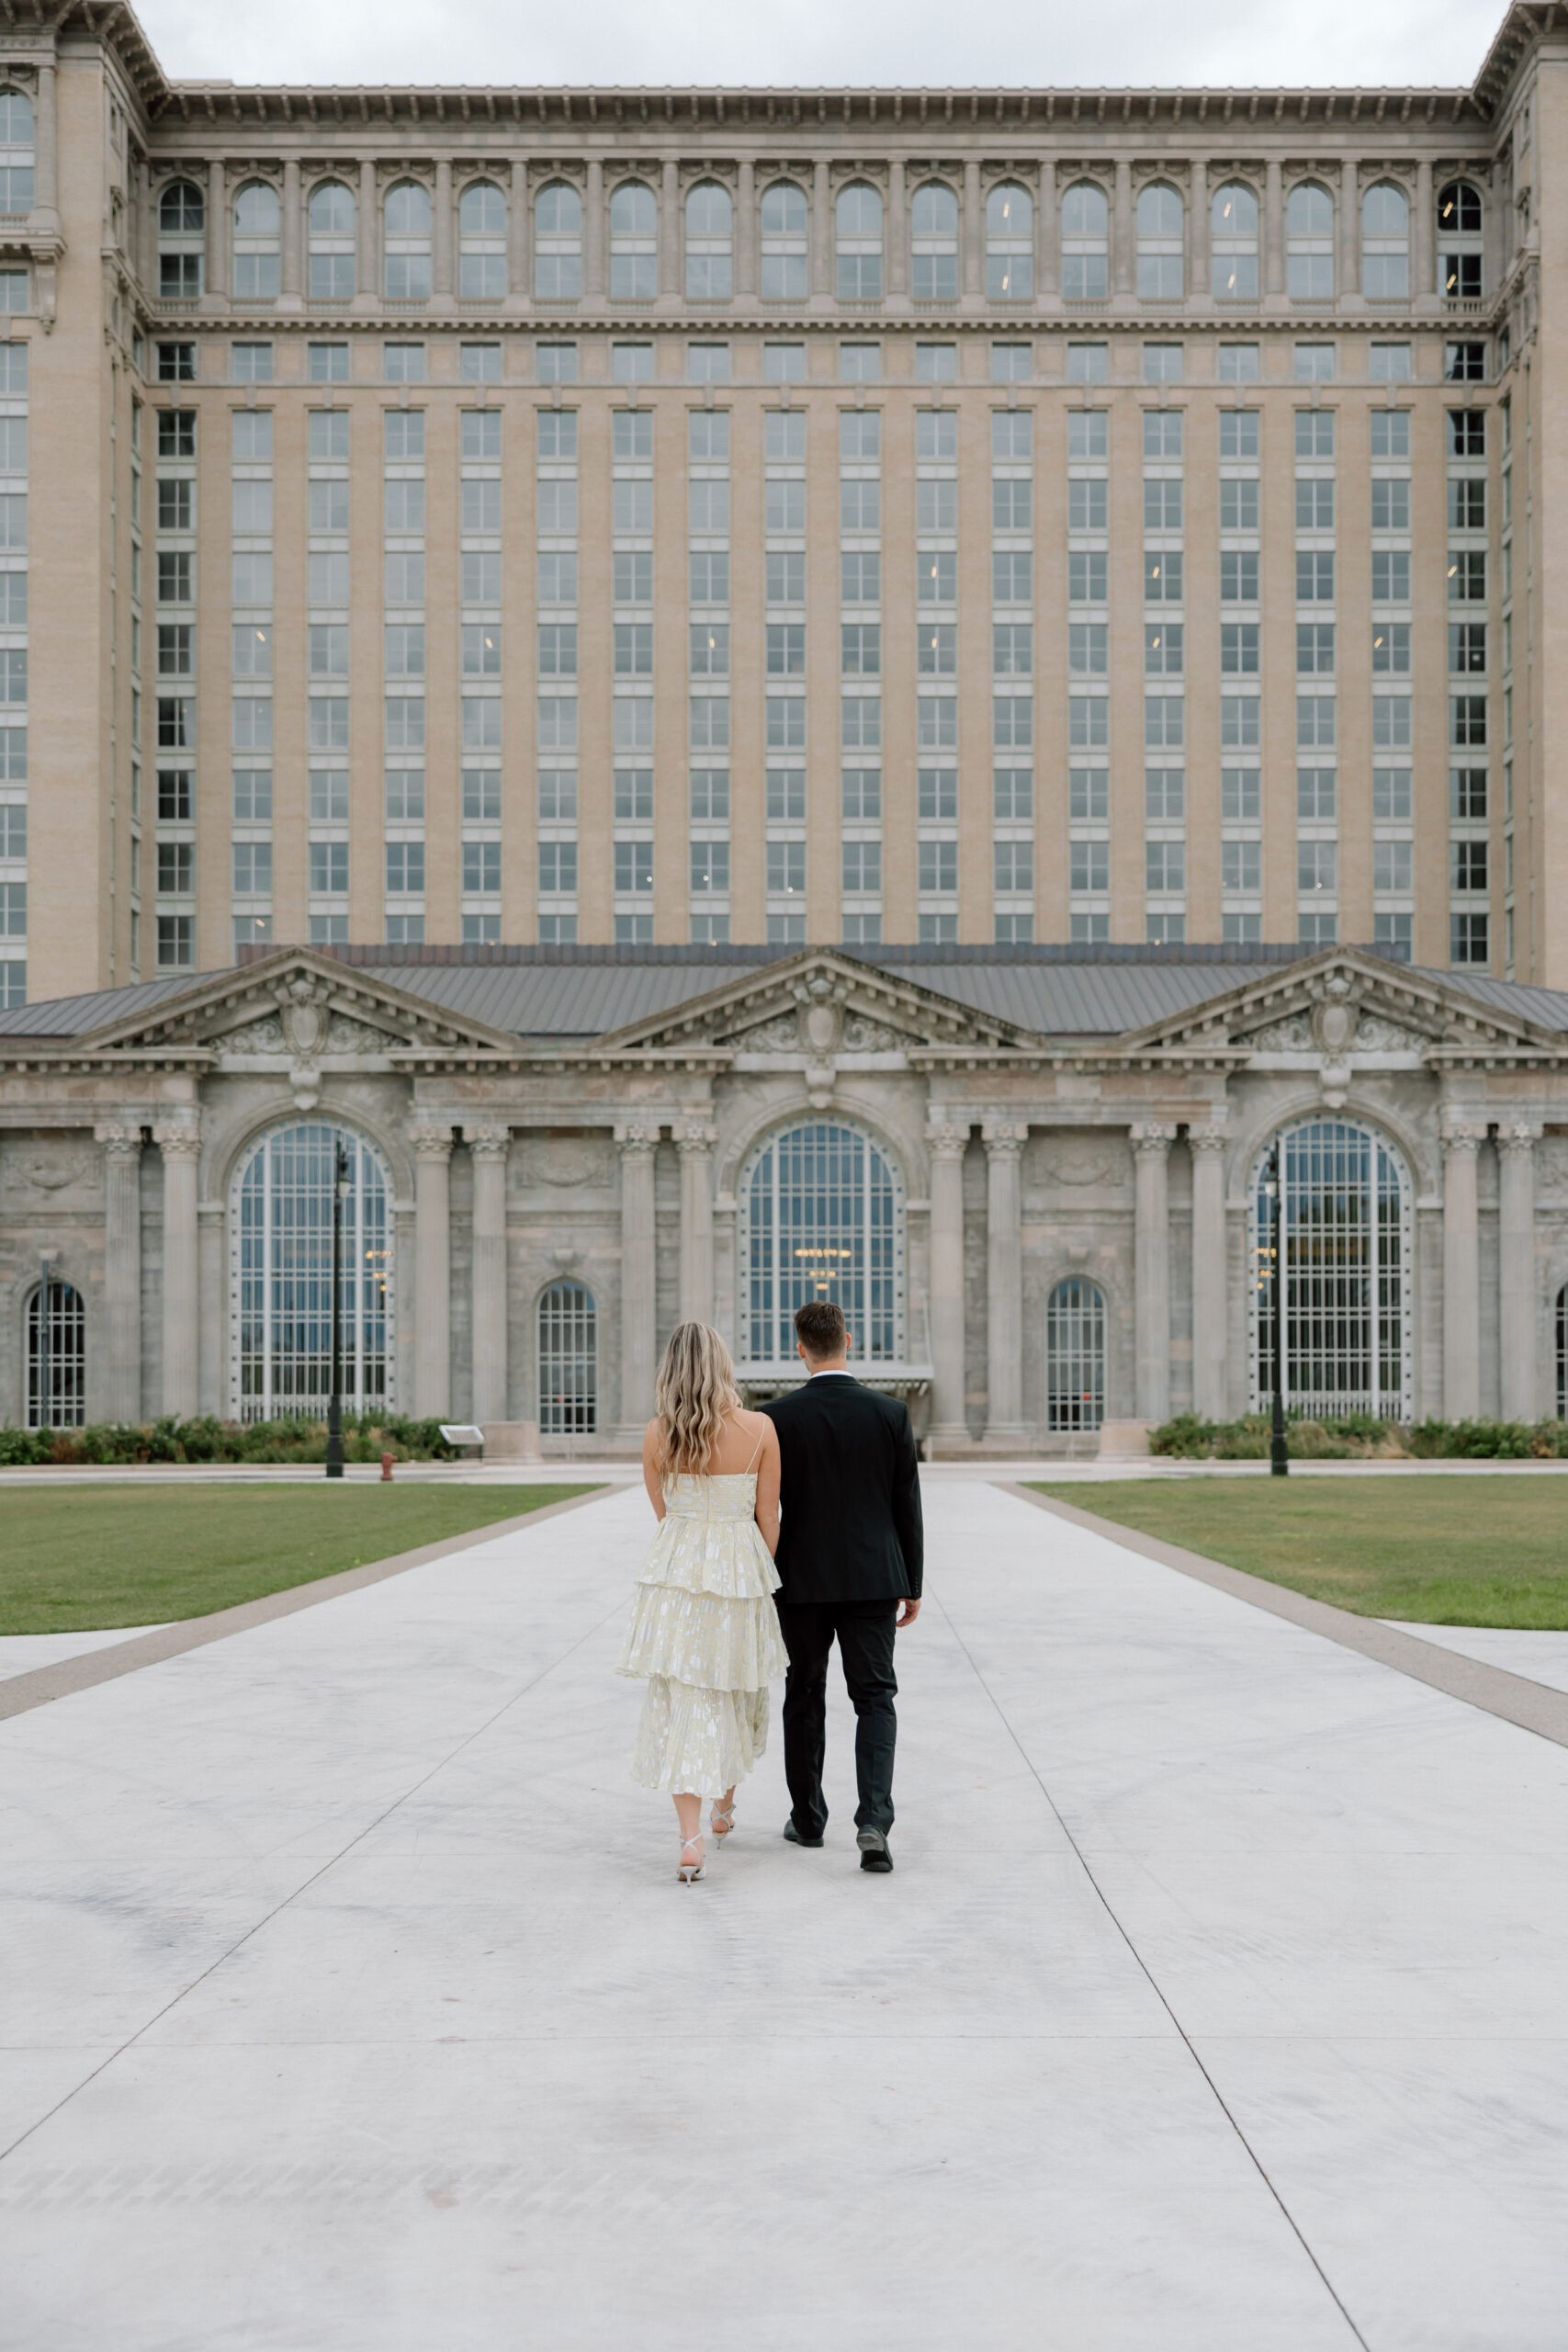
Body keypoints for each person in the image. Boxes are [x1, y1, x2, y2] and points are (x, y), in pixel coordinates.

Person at [617, 1320, 786, 1883]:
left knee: (682, 1695)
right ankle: (724, 1809)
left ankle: (690, 1839)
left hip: (677, 1571)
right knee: (735, 1685)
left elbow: (664, 1514)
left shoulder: (655, 1435)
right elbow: (769, 1519)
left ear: (670, 1370)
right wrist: (752, 1567)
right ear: (722, 1366)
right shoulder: (761, 1428)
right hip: (740, 1569)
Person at [761, 1299, 924, 1874]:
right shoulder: (890, 1413)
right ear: (848, 1341)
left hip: (800, 1581)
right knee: (875, 1698)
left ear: (800, 1348)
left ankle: (807, 1820)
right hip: (874, 1577)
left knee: (803, 1696)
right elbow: (907, 1505)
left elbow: (765, 1509)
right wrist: (913, 1582)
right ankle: (874, 1822)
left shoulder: (776, 1418)